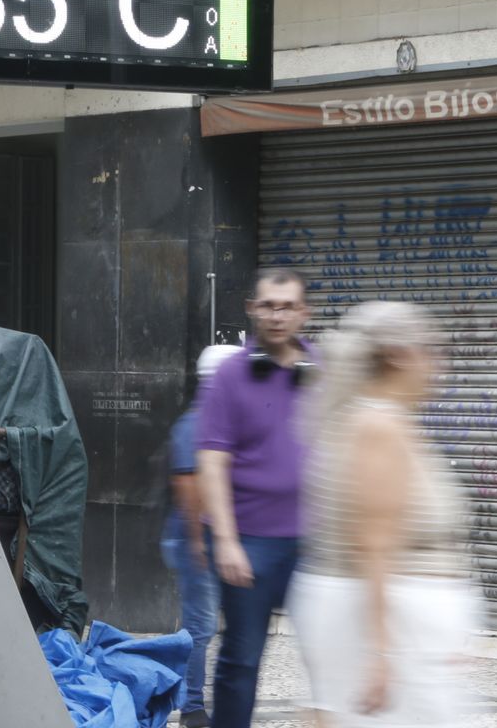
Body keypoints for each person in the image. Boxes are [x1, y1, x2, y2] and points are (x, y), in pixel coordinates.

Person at [288, 301, 478, 726]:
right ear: (397, 355)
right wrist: (381, 654)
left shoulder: (381, 422)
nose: (439, 362)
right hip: (387, 631)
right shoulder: (378, 428)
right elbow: (372, 545)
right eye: (430, 349)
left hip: (399, 630)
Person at [195, 268, 315, 728]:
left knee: (331, 654)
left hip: (313, 543)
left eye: (286, 306)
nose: (276, 315)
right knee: (242, 659)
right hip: (250, 541)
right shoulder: (229, 375)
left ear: (303, 313)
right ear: (252, 309)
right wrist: (225, 541)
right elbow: (212, 461)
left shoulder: (321, 370)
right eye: (267, 305)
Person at [161, 345, 241, 728]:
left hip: (209, 538)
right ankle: (191, 707)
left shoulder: (215, 422)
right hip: (196, 539)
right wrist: (197, 544)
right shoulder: (195, 424)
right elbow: (188, 488)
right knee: (201, 626)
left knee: (208, 625)